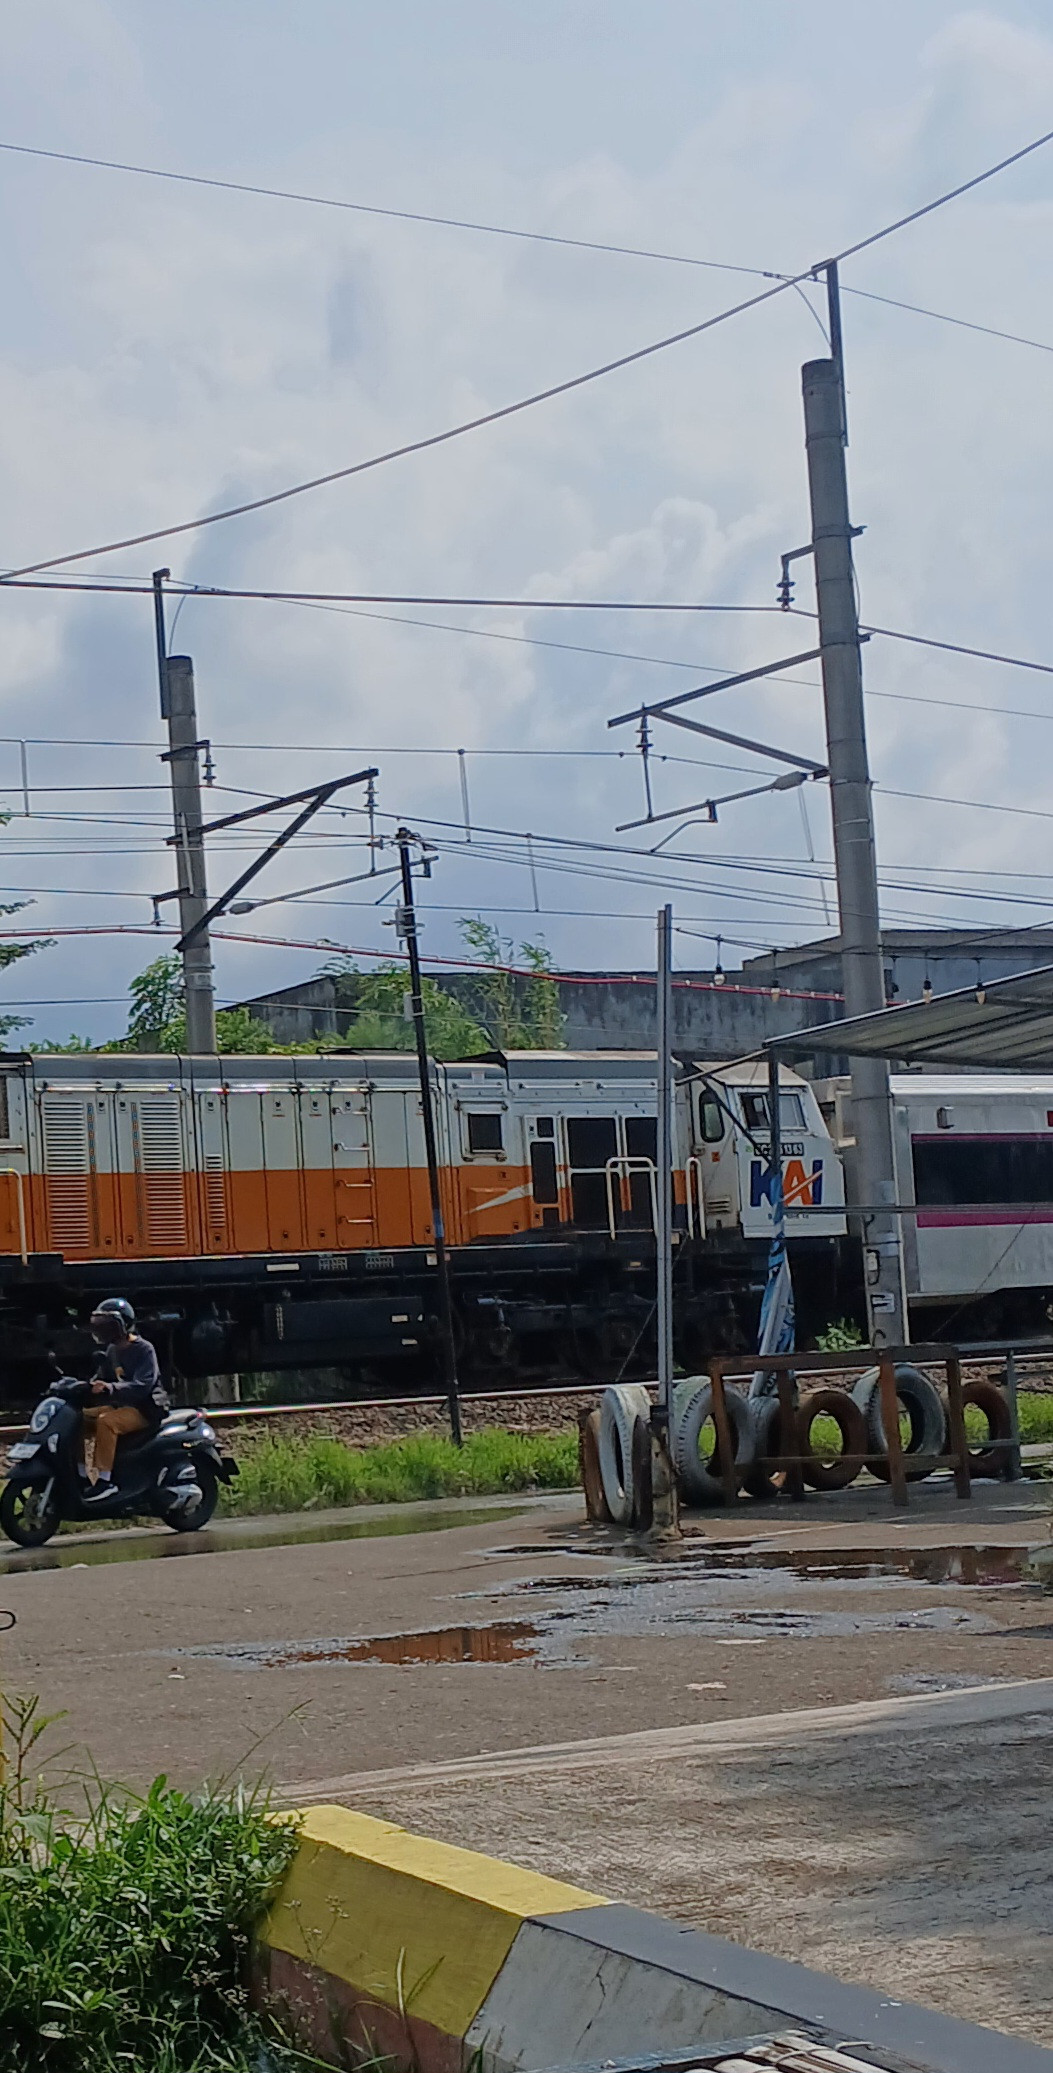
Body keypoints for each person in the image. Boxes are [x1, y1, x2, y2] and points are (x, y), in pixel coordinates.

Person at [78, 1297, 170, 1503]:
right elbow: (102, 1377)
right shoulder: (112, 1351)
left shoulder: (144, 1349)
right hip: (123, 1406)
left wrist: (110, 1388)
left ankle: (105, 1482)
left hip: (145, 1409)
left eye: (109, 1326)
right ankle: (82, 1474)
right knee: (80, 1418)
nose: (104, 1331)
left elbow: (143, 1385)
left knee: (106, 1422)